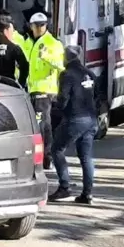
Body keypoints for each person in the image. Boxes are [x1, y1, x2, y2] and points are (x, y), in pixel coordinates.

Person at [49, 46, 99, 204]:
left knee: (56, 149)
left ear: (66, 58)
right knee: (86, 157)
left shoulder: (67, 75)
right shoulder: (89, 74)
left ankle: (64, 187)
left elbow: (63, 100)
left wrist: (54, 103)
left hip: (76, 119)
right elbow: (97, 96)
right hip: (91, 119)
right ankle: (87, 193)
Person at [27, 12, 65, 169]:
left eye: (42, 25)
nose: (39, 28)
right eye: (37, 26)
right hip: (34, 90)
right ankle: (43, 156)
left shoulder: (52, 43)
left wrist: (47, 57)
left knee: (42, 125)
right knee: (41, 124)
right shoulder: (35, 42)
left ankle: (46, 157)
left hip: (45, 91)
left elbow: (61, 65)